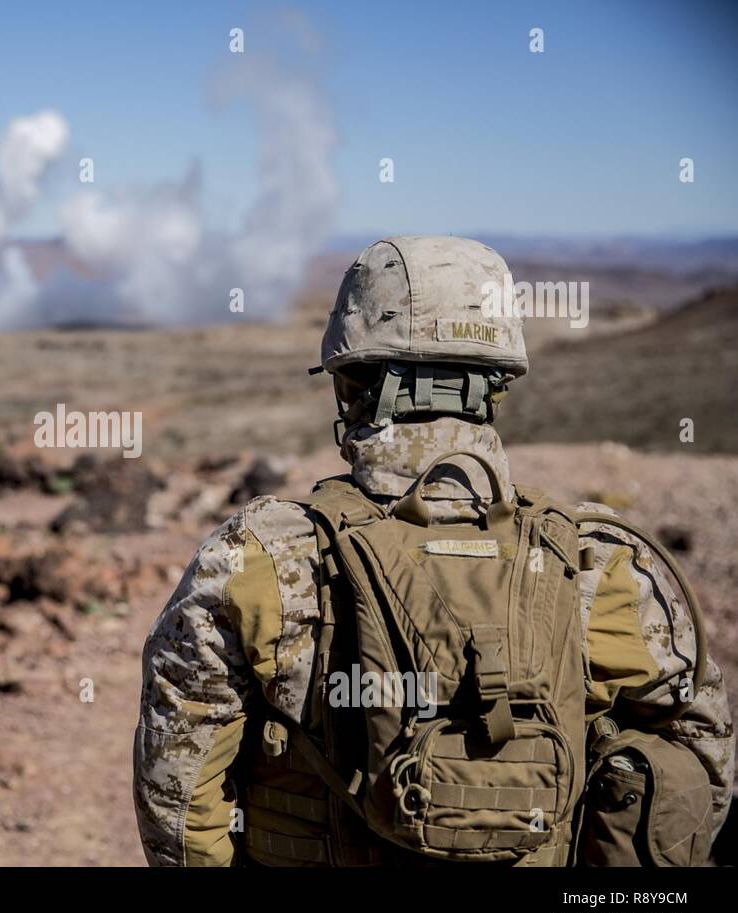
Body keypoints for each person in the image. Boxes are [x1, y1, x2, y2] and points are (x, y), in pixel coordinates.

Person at [133, 235, 733, 867]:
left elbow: (176, 788)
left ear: (351, 385)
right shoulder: (601, 560)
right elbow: (699, 761)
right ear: (497, 386)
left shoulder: (259, 557)